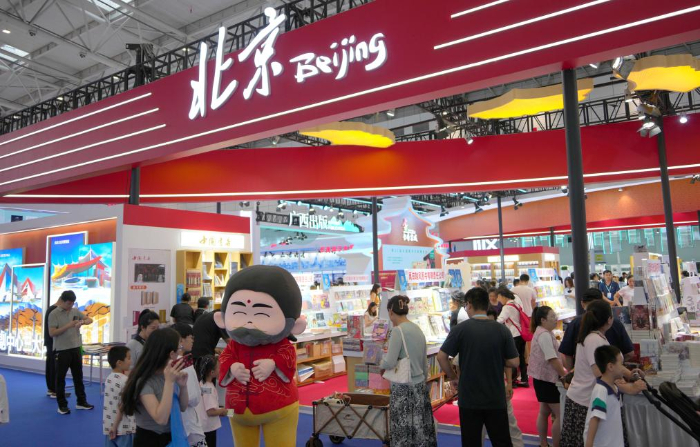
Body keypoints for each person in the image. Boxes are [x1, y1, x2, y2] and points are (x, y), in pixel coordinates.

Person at [215, 266, 307, 447]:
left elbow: (289, 358)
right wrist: (232, 367)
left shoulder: (282, 345)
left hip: (279, 408)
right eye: (239, 312)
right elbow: (224, 358)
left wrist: (273, 363)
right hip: (237, 410)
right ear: (221, 318)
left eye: (261, 314)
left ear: (296, 325)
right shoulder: (233, 346)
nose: (249, 322)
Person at [438, 287, 519, 447]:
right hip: (495, 397)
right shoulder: (501, 329)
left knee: (471, 442)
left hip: (469, 398)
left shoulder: (460, 329)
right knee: (502, 441)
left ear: (469, 304)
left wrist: (453, 377)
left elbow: (441, 357)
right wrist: (497, 358)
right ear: (487, 304)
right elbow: (515, 362)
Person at [560, 301, 646, 447]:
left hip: (585, 400)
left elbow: (612, 365)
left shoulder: (595, 337)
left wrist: (629, 374)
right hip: (586, 402)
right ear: (609, 319)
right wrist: (630, 388)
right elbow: (602, 376)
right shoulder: (594, 340)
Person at [379, 295, 437, 447]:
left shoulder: (397, 331)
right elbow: (424, 362)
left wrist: (380, 364)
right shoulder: (417, 329)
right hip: (419, 385)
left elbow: (390, 361)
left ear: (391, 311)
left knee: (402, 428)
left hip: (403, 387)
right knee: (420, 428)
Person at [121, 328, 190, 447]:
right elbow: (161, 419)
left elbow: (183, 407)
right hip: (150, 440)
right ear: (171, 354)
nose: (180, 353)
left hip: (170, 436)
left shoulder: (167, 374)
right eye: (179, 348)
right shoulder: (144, 381)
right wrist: (169, 382)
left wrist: (183, 387)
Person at [559, 289, 634, 368]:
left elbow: (567, 354)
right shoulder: (614, 323)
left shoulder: (575, 324)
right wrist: (617, 366)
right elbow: (629, 353)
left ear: (582, 304)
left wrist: (572, 371)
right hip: (610, 373)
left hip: (582, 372)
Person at [48, 290, 94, 415]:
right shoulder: (53, 314)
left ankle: (81, 402)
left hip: (75, 348)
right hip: (61, 350)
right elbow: (52, 333)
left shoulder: (75, 311)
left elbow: (90, 320)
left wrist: (82, 322)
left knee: (78, 377)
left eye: (72, 304)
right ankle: (62, 406)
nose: (70, 306)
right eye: (68, 303)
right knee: (60, 379)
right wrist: (69, 325)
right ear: (62, 301)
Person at [529, 306, 568, 447]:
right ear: (543, 320)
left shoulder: (544, 332)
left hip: (541, 378)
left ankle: (544, 443)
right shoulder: (544, 335)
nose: (555, 319)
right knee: (559, 414)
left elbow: (557, 355)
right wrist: (565, 376)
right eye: (552, 316)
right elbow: (552, 358)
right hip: (547, 379)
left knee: (544, 411)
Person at [584, 346, 628, 447]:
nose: (624, 368)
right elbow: (595, 418)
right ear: (610, 367)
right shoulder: (601, 390)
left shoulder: (614, 388)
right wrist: (589, 444)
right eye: (621, 364)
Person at [171, 323, 205, 447]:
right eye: (191, 337)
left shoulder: (167, 362)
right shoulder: (184, 363)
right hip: (189, 422)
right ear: (181, 339)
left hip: (174, 420)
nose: (193, 340)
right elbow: (193, 397)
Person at [104, 346, 136, 447]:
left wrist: (113, 426)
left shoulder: (109, 379)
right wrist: (115, 426)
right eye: (129, 358)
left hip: (109, 425)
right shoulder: (125, 381)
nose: (131, 361)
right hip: (123, 427)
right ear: (119, 363)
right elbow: (122, 406)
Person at [496, 287, 529, 387]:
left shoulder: (507, 307)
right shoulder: (515, 304)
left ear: (502, 296)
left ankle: (513, 380)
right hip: (520, 334)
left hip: (514, 335)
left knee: (512, 358)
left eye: (498, 297)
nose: (498, 300)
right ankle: (524, 379)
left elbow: (500, 320)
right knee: (521, 358)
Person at [195, 355, 227, 447]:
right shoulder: (209, 389)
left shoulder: (201, 384)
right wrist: (223, 411)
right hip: (208, 429)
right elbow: (210, 411)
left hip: (201, 426)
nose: (221, 370)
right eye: (219, 368)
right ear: (212, 372)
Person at [44, 297, 61, 399]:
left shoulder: (50, 309)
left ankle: (51, 388)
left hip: (50, 341)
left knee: (50, 365)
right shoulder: (54, 311)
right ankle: (54, 389)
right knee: (54, 366)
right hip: (53, 342)